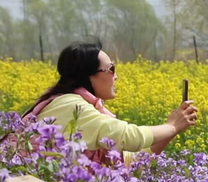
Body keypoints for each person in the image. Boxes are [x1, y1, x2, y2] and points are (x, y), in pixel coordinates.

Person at [12, 42, 198, 166]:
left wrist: (173, 129)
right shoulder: (72, 106)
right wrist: (171, 126)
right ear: (89, 75)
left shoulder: (72, 103)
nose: (115, 76)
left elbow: (131, 162)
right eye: (111, 69)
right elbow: (128, 136)